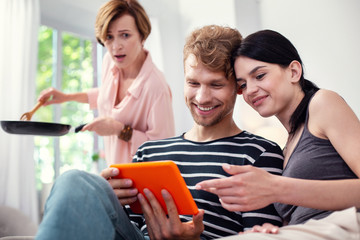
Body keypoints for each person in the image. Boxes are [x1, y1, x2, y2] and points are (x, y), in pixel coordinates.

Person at [35, 25, 285, 240]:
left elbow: (259, 235)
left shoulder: (260, 154)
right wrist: (105, 196)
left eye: (216, 84)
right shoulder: (149, 152)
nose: (202, 97)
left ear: (238, 88)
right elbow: (123, 225)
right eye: (193, 83)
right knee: (76, 180)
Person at [195, 29, 360, 240]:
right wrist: (271, 230)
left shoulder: (323, 103)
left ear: (293, 71)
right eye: (242, 85)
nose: (250, 90)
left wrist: (277, 188)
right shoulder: (289, 145)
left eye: (260, 76)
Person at [37, 0, 175, 164]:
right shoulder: (110, 61)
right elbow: (105, 94)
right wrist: (66, 97)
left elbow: (164, 150)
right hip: (115, 175)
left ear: (142, 36)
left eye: (125, 35)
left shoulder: (156, 87)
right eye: (109, 37)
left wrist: (119, 129)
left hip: (142, 184)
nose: (116, 46)